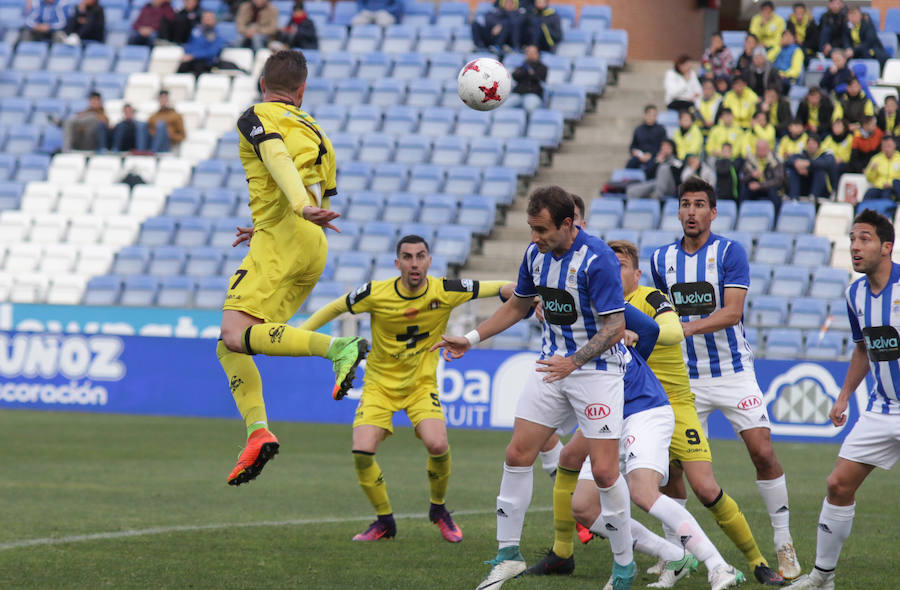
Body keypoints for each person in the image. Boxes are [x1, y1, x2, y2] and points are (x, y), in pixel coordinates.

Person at [433, 186, 638, 590]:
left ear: (567, 224)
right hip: (551, 366)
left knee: (603, 471)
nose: (534, 237)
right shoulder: (535, 255)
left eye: (541, 229)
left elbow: (615, 327)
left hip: (596, 373)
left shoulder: (597, 260)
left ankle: (624, 566)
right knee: (517, 452)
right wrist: (471, 338)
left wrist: (574, 361)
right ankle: (509, 554)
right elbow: (518, 304)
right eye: (530, 228)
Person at [551, 239, 769, 589]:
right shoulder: (563, 308)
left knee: (650, 491)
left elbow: (654, 329)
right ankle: (674, 554)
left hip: (643, 405)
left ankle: (719, 564)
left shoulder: (619, 304)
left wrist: (633, 354)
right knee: (584, 507)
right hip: (608, 413)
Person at [217, 50, 368, 488]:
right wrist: (279, 219)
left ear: (263, 82)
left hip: (287, 234)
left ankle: (337, 349)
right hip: (310, 245)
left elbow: (277, 157)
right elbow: (323, 198)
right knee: (236, 344)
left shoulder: (256, 116)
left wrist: (296, 209)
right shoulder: (318, 130)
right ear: (301, 91)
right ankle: (257, 431)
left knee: (232, 332)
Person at [298, 236, 512, 542]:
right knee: (362, 452)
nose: (414, 263)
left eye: (420, 256)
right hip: (379, 385)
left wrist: (523, 293)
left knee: (437, 444)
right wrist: (297, 336)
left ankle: (438, 509)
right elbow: (334, 307)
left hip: (420, 385)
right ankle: (384, 521)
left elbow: (493, 287)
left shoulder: (445, 290)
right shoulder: (375, 293)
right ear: (397, 263)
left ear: (428, 261)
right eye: (408, 257)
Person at [651, 176, 799, 583]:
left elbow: (733, 312)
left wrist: (687, 327)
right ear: (678, 211)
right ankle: (673, 552)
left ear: (713, 213)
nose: (692, 212)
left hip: (733, 372)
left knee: (763, 452)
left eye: (700, 205)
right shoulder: (660, 258)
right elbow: (661, 313)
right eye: (685, 204)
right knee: (671, 466)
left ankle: (784, 543)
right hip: (684, 379)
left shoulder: (730, 252)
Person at [788, 210, 900, 590]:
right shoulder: (855, 294)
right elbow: (862, 349)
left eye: (864, 238)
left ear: (887, 247)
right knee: (838, 485)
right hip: (882, 409)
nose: (855, 246)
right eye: (853, 238)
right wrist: (844, 396)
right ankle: (822, 577)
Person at [177, 11, 230, 77]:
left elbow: (212, 52)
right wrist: (188, 55)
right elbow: (189, 45)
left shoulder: (218, 35)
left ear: (214, 20)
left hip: (207, 63)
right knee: (183, 66)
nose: (207, 21)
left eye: (209, 19)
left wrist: (194, 55)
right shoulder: (196, 32)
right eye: (205, 19)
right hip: (192, 60)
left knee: (198, 67)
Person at [742, 138, 785, 211]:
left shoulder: (775, 160)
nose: (760, 151)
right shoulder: (751, 160)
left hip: (770, 187)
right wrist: (752, 175)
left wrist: (760, 185)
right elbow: (743, 178)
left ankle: (776, 217)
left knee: (774, 192)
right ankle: (744, 213)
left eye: (762, 149)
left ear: (768, 149)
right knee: (744, 189)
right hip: (755, 187)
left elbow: (778, 180)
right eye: (758, 149)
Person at [786, 134, 832, 198]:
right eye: (809, 144)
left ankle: (813, 196)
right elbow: (789, 160)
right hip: (805, 185)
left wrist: (808, 164)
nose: (811, 146)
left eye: (813, 143)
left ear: (818, 145)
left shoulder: (825, 154)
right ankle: (793, 196)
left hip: (823, 188)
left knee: (819, 170)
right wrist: (796, 163)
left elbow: (827, 163)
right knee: (793, 170)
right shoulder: (803, 153)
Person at [507, 45, 546, 113]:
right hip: (518, 94)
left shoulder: (543, 67)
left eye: (532, 52)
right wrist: (526, 68)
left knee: (529, 108)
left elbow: (538, 78)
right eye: (528, 52)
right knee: (503, 106)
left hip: (533, 94)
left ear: (537, 54)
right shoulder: (522, 66)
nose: (529, 54)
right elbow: (515, 76)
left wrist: (530, 70)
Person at [626, 104, 667, 170]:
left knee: (652, 167)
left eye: (654, 115)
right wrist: (635, 152)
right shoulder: (638, 129)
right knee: (630, 164)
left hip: (654, 156)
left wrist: (651, 154)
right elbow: (633, 145)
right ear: (644, 115)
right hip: (640, 156)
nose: (651, 117)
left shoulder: (661, 129)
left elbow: (663, 146)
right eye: (649, 115)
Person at [862, 135, 900, 201]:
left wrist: (891, 184)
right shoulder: (876, 158)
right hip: (879, 187)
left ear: (895, 145)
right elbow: (869, 179)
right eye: (884, 146)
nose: (886, 149)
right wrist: (872, 170)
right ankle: (864, 210)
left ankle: (887, 211)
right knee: (869, 193)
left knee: (886, 194)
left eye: (889, 146)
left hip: (894, 189)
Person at [819, 117, 852, 191]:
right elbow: (822, 149)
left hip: (843, 163)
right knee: (821, 168)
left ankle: (835, 190)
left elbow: (849, 154)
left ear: (844, 127)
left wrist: (842, 159)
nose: (836, 128)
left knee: (836, 167)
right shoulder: (829, 138)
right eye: (834, 126)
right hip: (830, 162)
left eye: (839, 126)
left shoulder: (849, 138)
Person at [772, 28, 804, 92]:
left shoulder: (797, 51)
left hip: (787, 79)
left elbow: (796, 71)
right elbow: (768, 60)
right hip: (775, 75)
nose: (786, 38)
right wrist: (779, 46)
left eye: (788, 36)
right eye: (784, 36)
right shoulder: (778, 48)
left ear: (794, 38)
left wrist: (783, 74)